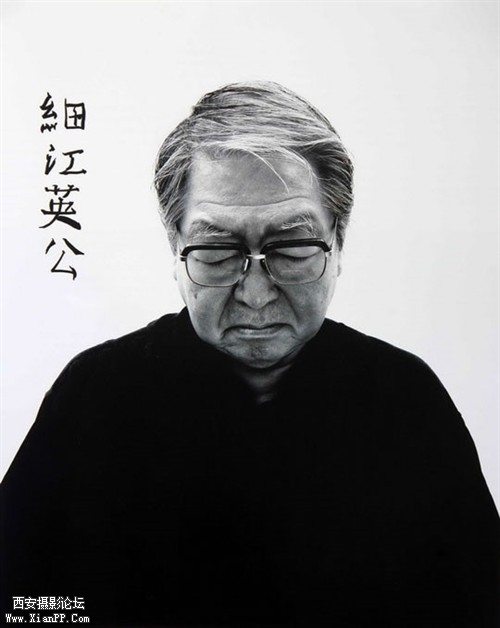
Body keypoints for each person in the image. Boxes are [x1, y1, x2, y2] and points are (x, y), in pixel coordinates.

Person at [1, 81, 499, 627]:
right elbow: (22, 606)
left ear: (338, 243)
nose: (256, 295)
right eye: (217, 251)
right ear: (175, 247)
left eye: (292, 248)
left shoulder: (404, 400)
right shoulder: (94, 397)